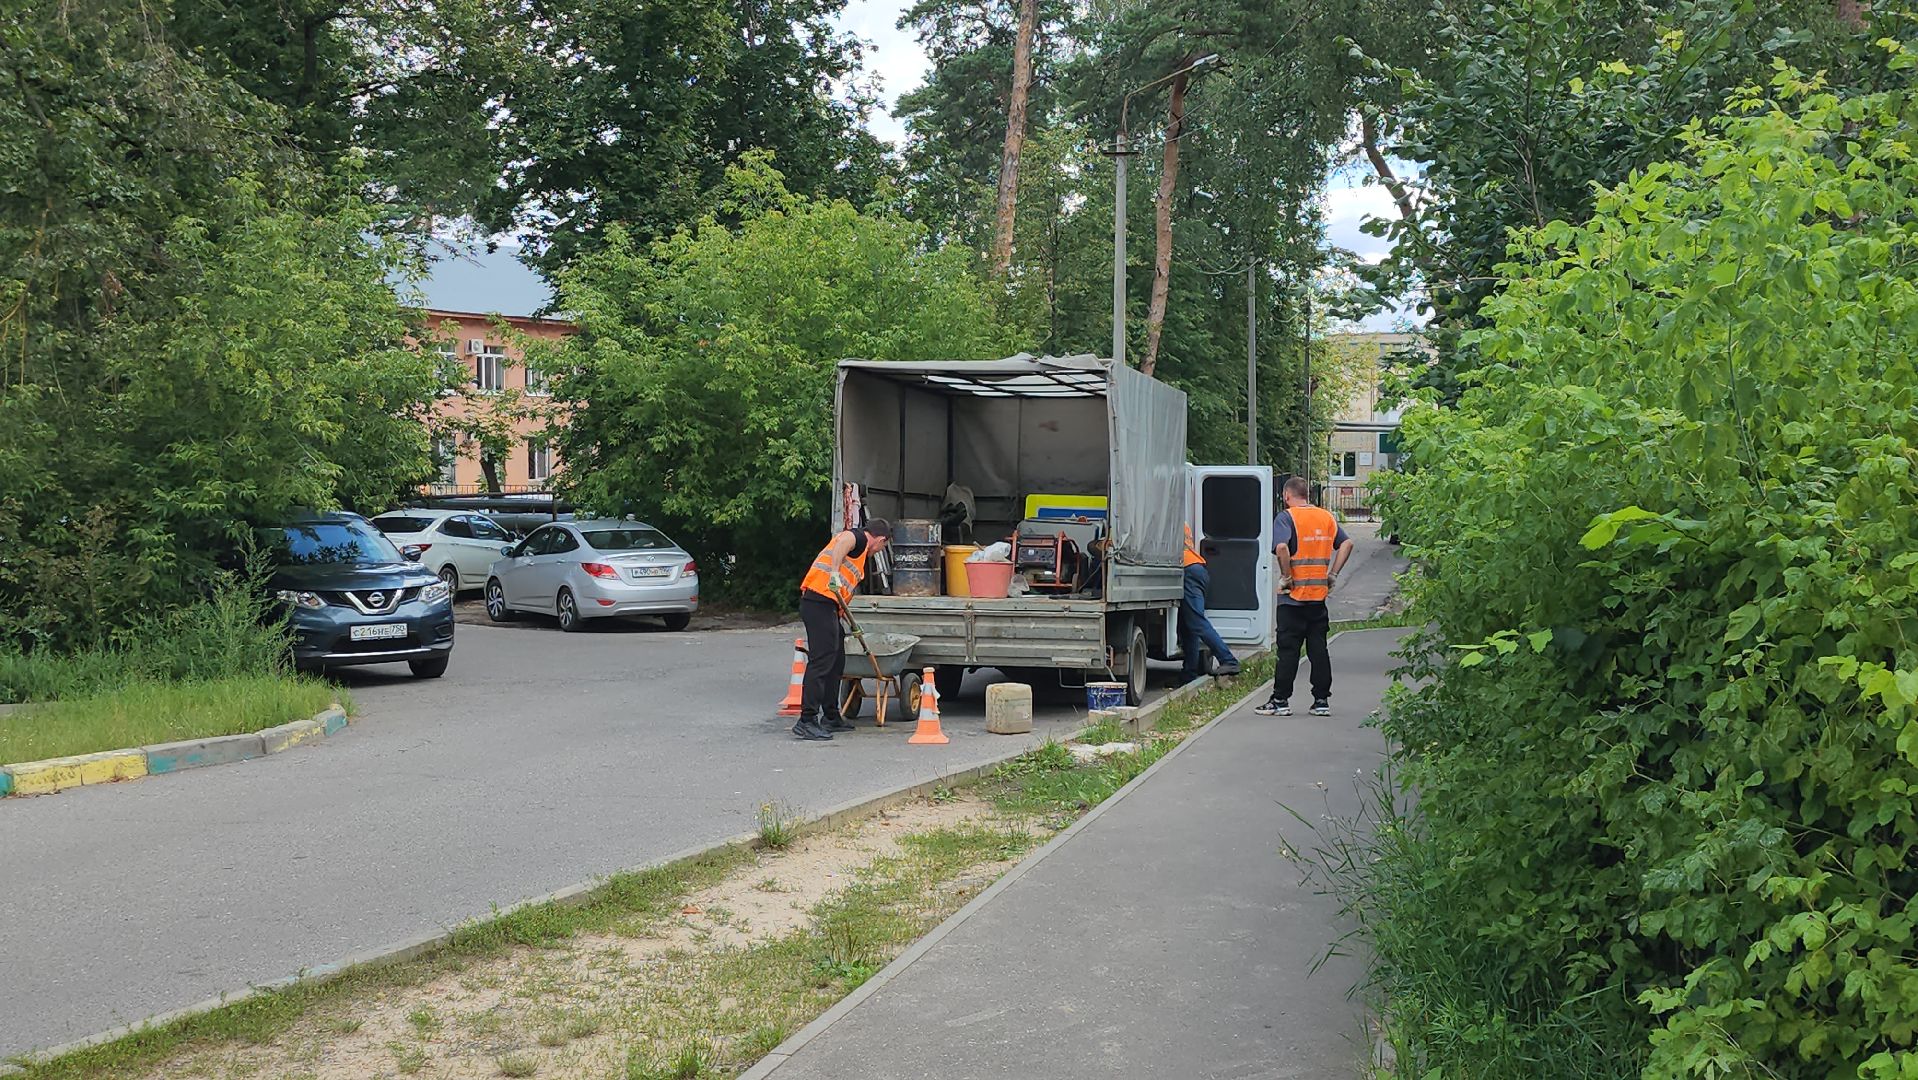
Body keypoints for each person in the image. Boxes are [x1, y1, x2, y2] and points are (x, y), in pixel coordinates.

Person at [1257, 477, 1354, 717]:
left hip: (1293, 599)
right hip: (1317, 598)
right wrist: (1333, 574)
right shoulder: (1326, 517)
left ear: (1287, 496)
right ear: (1308, 495)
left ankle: (1280, 701)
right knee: (1318, 649)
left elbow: (1281, 548)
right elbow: (1347, 544)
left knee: (1288, 650)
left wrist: (1286, 576)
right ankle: (1321, 701)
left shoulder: (1286, 517)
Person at [794, 518, 893, 740]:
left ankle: (831, 715)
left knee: (836, 660)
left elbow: (842, 591)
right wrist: (834, 573)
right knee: (821, 660)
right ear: (880, 539)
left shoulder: (860, 554)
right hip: (817, 602)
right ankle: (806, 719)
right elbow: (843, 541)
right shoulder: (858, 538)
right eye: (882, 546)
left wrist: (845, 618)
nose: (879, 550)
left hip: (828, 607)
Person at [1179, 523, 1240, 681]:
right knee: (1189, 626)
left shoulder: (1165, 517)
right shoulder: (1180, 520)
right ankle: (1189, 674)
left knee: (1196, 622)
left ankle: (1228, 660)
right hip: (1196, 567)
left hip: (1187, 571)